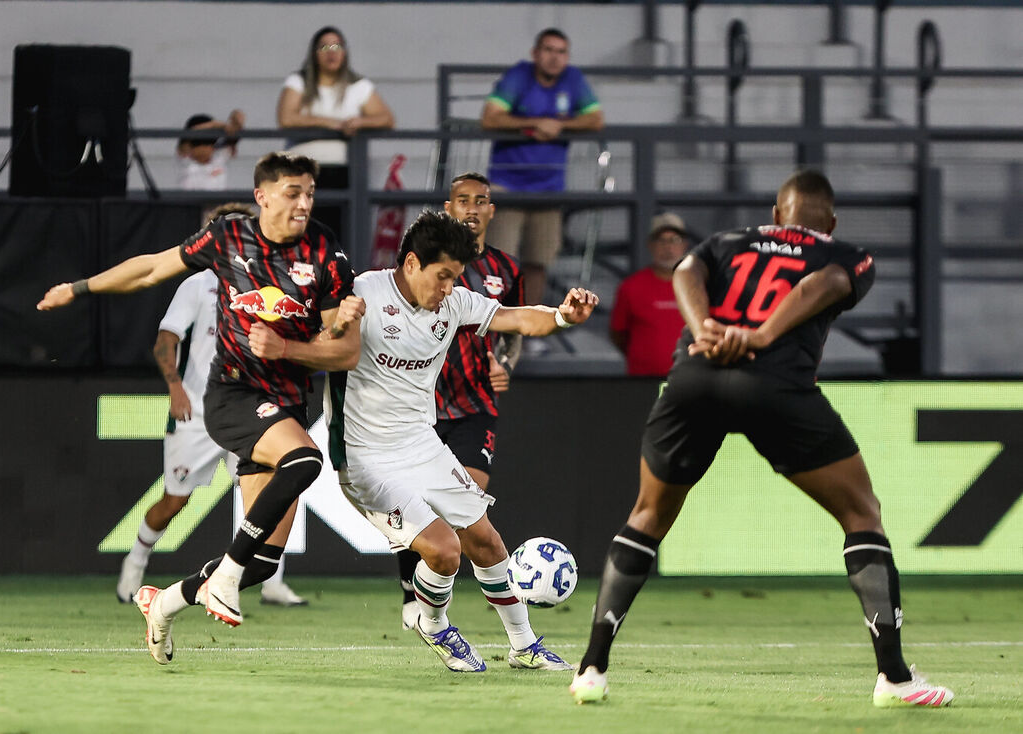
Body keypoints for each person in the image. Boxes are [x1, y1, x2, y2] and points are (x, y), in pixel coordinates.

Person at [569, 170, 955, 708]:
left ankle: (591, 669)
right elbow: (821, 286)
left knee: (647, 516)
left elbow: (685, 272)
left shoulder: (728, 241)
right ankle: (894, 677)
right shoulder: (848, 253)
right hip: (775, 387)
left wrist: (706, 328)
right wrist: (762, 336)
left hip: (694, 377)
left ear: (778, 214)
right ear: (831, 220)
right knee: (861, 514)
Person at [38, 153, 363, 665]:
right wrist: (79, 288)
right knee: (304, 462)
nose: (304, 203)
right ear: (263, 196)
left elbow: (344, 351)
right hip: (233, 395)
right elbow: (148, 269)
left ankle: (164, 603)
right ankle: (221, 577)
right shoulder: (228, 237)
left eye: (309, 193)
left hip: (288, 402)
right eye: (292, 192)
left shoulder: (326, 251)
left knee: (260, 563)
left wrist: (319, 335)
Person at [327, 209, 598, 673]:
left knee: (488, 543)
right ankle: (434, 624)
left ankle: (524, 645)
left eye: (456, 278)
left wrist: (562, 316)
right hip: (365, 458)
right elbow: (320, 337)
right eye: (443, 277)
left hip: (421, 445)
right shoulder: (363, 293)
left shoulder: (452, 304)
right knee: (444, 550)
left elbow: (518, 319)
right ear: (411, 263)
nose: (449, 288)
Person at [114, 202, 308, 609]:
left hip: (249, 409)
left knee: (270, 493)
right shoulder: (197, 283)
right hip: (199, 413)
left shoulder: (269, 283)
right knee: (174, 500)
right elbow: (166, 339)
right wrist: (175, 388)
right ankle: (134, 567)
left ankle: (272, 581)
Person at [394, 172, 525, 631]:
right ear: (448, 208)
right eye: (462, 200)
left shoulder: (506, 269)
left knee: (464, 500)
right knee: (419, 503)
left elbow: (512, 330)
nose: (472, 208)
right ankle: (415, 591)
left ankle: (436, 604)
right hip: (418, 407)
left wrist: (505, 363)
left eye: (481, 201)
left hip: (473, 404)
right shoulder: (426, 263)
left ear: (492, 211)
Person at [481, 28, 604, 309]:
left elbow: (595, 119)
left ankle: (530, 327)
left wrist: (559, 125)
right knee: (499, 264)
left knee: (539, 263)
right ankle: (496, 327)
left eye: (561, 52)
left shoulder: (573, 79)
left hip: (549, 190)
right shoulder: (518, 76)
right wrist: (534, 123)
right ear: (535, 53)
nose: (554, 57)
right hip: (507, 187)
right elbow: (490, 117)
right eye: (548, 50)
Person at [276, 25, 394, 240]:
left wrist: (360, 122)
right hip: (303, 170)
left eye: (337, 45)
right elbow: (287, 117)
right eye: (324, 47)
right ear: (314, 53)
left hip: (344, 171)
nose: (331, 51)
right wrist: (332, 124)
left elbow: (386, 118)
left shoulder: (358, 86)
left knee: (339, 235)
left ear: (345, 51)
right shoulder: (299, 82)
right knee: (302, 233)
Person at [608, 213, 691, 376]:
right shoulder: (631, 287)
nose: (668, 247)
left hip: (688, 382)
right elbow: (618, 333)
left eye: (674, 240)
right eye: (661, 240)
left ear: (684, 245)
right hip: (643, 382)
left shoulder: (699, 286)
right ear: (650, 245)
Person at [176, 110, 246, 191]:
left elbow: (236, 130)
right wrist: (218, 125)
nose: (208, 148)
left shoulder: (219, 155)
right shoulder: (185, 158)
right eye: (201, 144)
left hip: (218, 203)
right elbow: (191, 133)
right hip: (189, 203)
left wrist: (235, 119)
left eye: (211, 143)